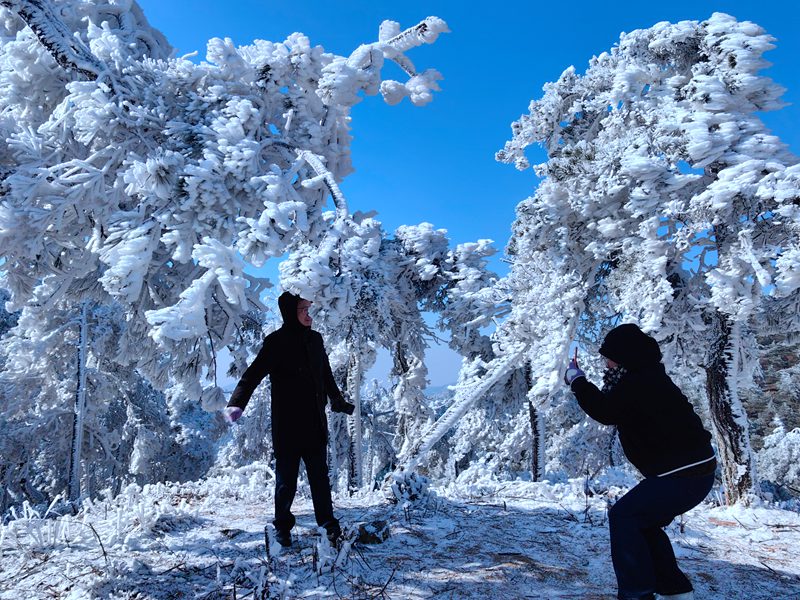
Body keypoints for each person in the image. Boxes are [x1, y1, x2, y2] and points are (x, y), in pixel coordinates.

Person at [564, 323, 716, 600]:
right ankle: (675, 591)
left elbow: (607, 411)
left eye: (609, 357)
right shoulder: (644, 376)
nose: (606, 363)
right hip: (693, 472)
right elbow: (615, 404)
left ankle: (637, 594)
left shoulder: (638, 382)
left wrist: (577, 382)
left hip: (683, 475)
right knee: (642, 521)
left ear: (624, 356)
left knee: (624, 516)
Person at [224, 291, 354, 547]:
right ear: (290, 313)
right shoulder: (276, 342)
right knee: (287, 482)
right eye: (303, 310)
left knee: (320, 478)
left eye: (309, 309)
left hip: (315, 423)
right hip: (288, 427)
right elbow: (252, 375)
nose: (309, 315)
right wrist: (236, 404)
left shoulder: (316, 340)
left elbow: (325, 374)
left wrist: (337, 401)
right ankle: (282, 528)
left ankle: (329, 527)